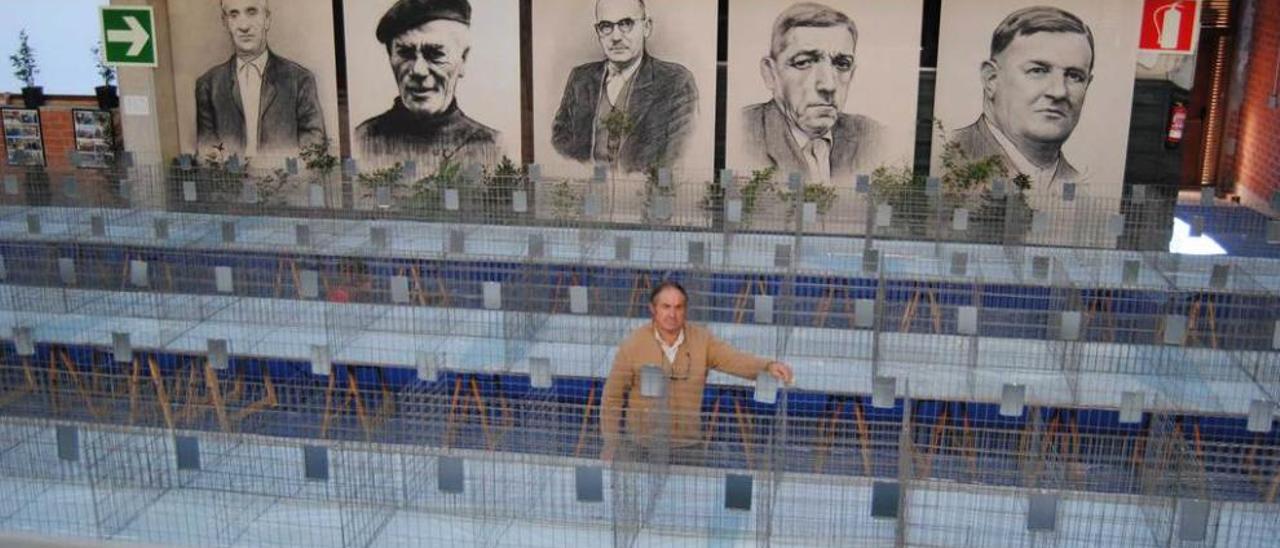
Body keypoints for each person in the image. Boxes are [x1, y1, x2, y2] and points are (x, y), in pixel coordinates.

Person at [601, 281, 794, 463]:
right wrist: (610, 441)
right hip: (642, 443)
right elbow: (612, 396)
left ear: (685, 310)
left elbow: (733, 358)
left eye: (678, 307)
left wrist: (767, 366)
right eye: (665, 307)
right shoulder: (634, 344)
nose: (672, 314)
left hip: (687, 443)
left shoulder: (702, 340)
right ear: (653, 309)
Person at [951, 6, 1093, 192]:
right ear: (991, 79)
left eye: (1074, 76)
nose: (1059, 92)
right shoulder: (948, 157)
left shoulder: (1081, 186)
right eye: (1038, 71)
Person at [741, 2, 883, 184]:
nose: (829, 85)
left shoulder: (874, 138)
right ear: (770, 74)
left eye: (842, 64)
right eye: (803, 62)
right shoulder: (742, 133)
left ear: (852, 73)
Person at [551, 0, 698, 173]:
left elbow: (677, 159)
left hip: (641, 194)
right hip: (588, 191)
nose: (616, 37)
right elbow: (559, 145)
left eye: (626, 24)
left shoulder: (676, 82)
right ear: (597, 31)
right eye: (606, 26)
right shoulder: (580, 79)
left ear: (646, 27)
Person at [355, 0, 501, 167]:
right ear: (390, 57)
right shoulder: (361, 141)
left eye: (435, 54)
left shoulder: (494, 148)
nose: (419, 71)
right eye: (405, 53)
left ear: (463, 60)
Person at [195, 0, 326, 159]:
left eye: (252, 12)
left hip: (285, 181)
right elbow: (206, 152)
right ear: (225, 22)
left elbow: (314, 151)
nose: (244, 26)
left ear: (267, 19)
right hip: (230, 181)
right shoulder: (209, 85)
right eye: (234, 15)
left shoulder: (300, 80)